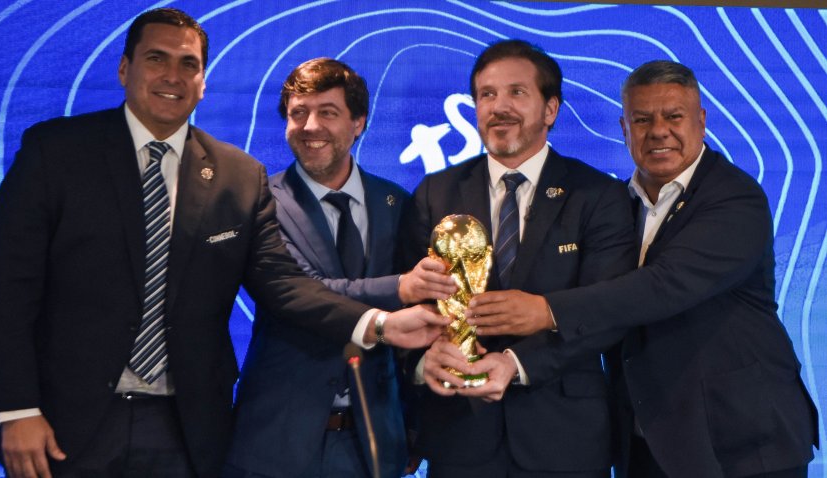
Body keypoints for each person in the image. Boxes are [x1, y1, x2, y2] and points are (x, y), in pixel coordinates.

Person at [0, 9, 446, 478]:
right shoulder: (55, 152)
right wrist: (17, 409)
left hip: (188, 428)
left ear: (203, 81)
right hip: (64, 424)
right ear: (124, 69)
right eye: (156, 58)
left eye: (189, 64)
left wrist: (380, 324)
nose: (173, 76)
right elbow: (8, 291)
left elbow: (283, 287)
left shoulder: (238, 175)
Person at [469, 60, 820, 477]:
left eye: (674, 116)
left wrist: (547, 310)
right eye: (642, 119)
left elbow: (665, 286)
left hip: (742, 441)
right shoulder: (614, 202)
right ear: (624, 128)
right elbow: (601, 308)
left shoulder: (735, 198)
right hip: (646, 439)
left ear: (701, 120)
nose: (658, 131)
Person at [398, 39, 637, 478]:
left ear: (550, 109)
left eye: (516, 93)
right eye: (486, 95)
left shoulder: (598, 196)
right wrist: (420, 362)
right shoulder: (435, 193)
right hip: (459, 434)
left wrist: (516, 364)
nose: (498, 107)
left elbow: (608, 311)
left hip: (564, 439)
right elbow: (409, 303)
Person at [224, 58, 456, 478]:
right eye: (298, 113)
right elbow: (300, 291)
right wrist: (401, 289)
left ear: (359, 123)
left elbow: (417, 333)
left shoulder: (397, 204)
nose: (311, 126)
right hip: (277, 443)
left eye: (327, 112)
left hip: (374, 443)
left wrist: (414, 427)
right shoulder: (259, 201)